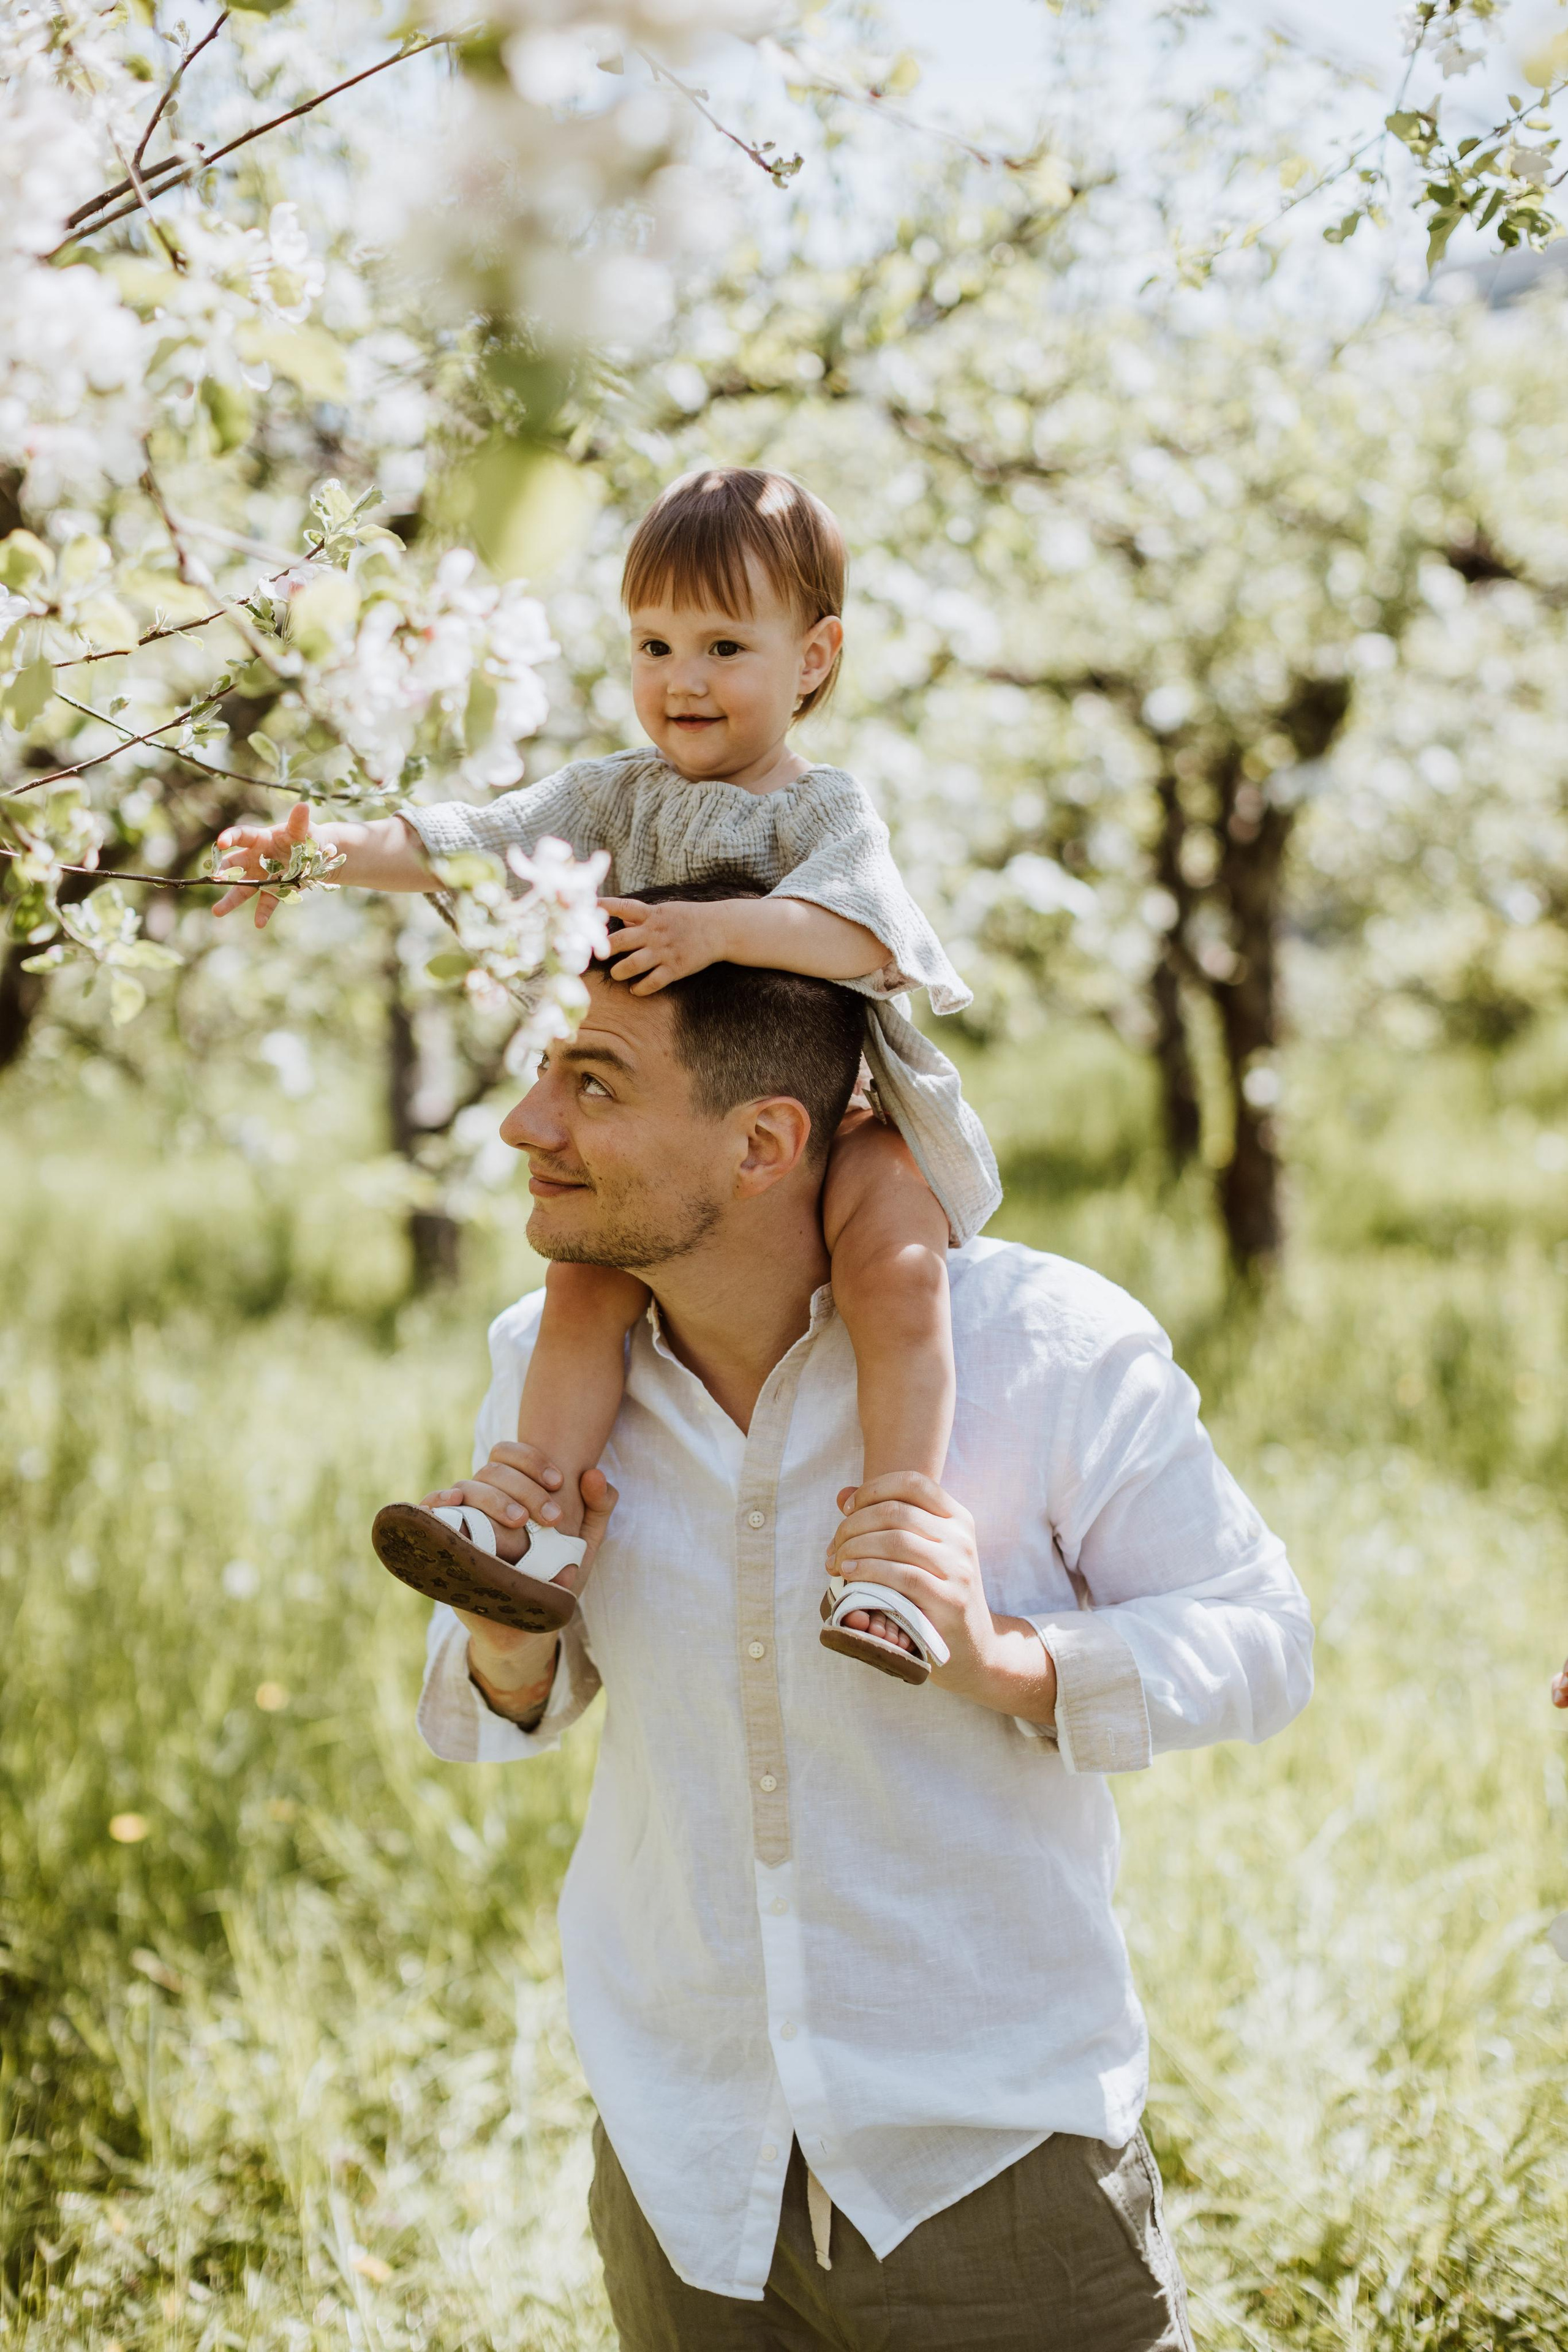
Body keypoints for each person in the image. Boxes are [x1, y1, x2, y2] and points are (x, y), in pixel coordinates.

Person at [393, 900, 1314, 2349]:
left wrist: (1006, 1661)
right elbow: (509, 1699)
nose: (522, 1126)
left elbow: (1262, 1637)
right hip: (681, 2170)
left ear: (764, 1144)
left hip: (989, 2166)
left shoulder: (1047, 1349)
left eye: (593, 1083)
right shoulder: (543, 1361)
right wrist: (516, 1640)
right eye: (542, 1069)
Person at [213, 466, 1000, 1686]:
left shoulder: (818, 809)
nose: (682, 679)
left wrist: (722, 931)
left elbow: (870, 941)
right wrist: (315, 854)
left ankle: (891, 1548)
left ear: (812, 658)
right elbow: (465, 842)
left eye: (725, 644)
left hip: (845, 1120)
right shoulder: (610, 797)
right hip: (675, 1129)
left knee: (895, 1281)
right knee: (583, 1283)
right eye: (654, 643)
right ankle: (526, 1522)